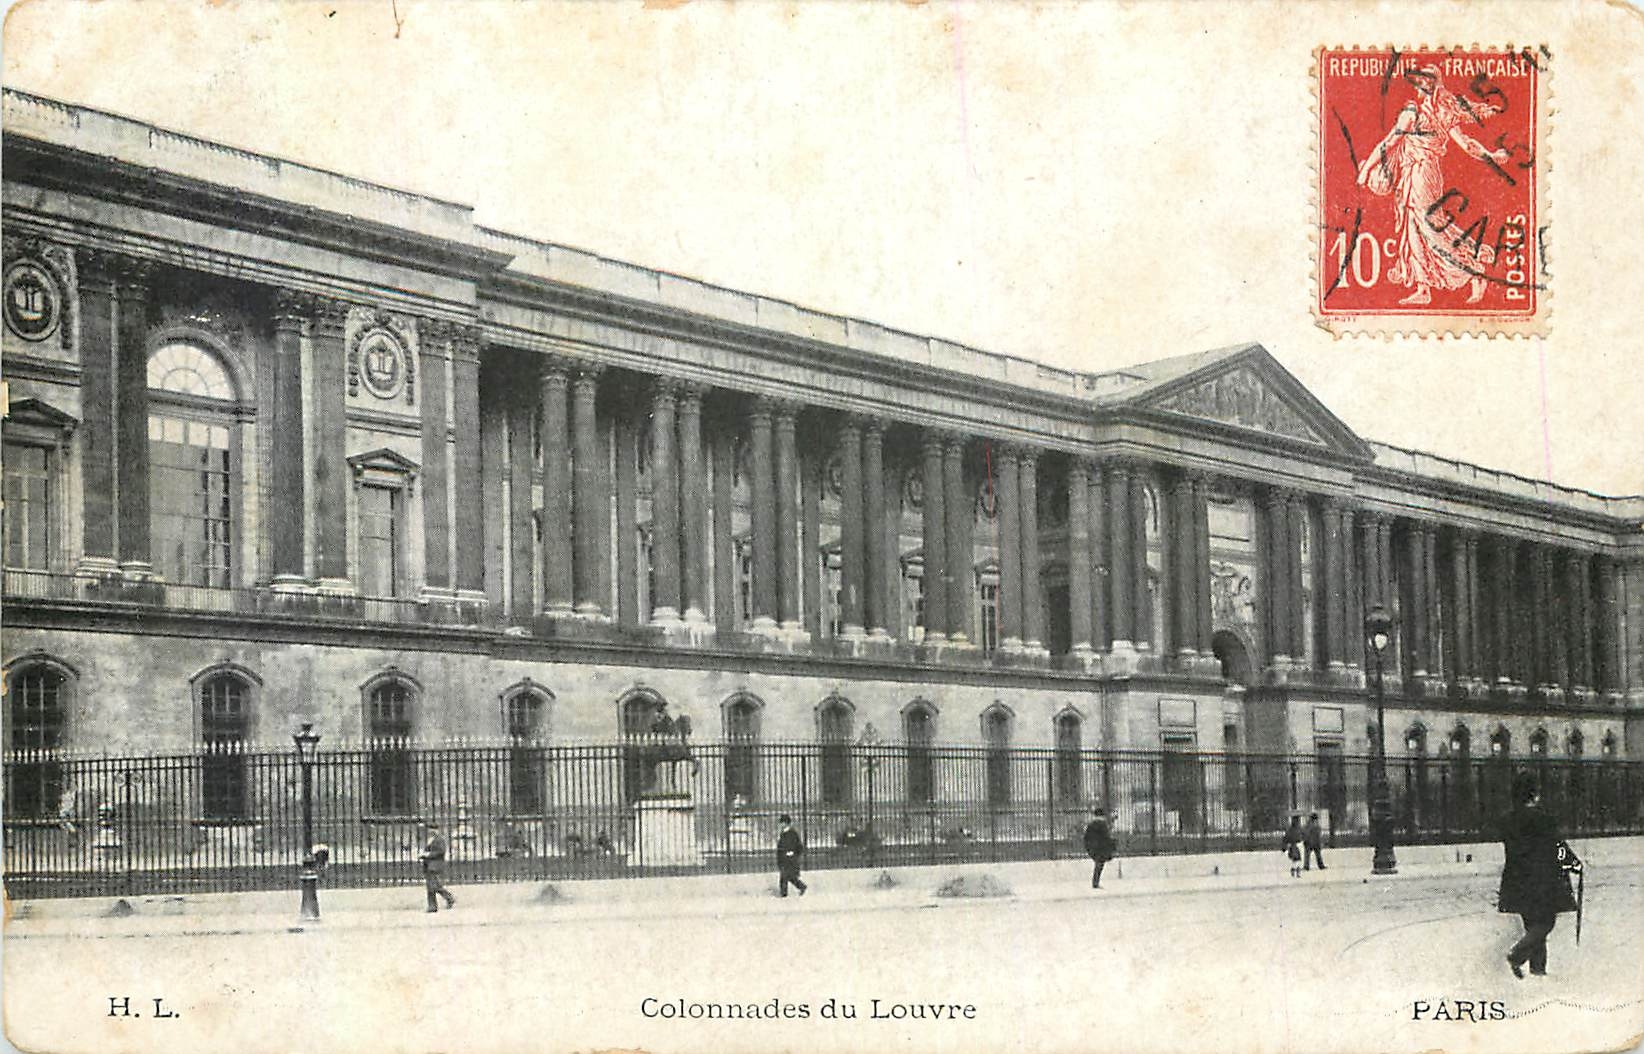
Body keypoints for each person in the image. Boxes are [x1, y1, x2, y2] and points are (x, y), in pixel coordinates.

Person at [1355, 65, 1512, 306]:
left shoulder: (1430, 112)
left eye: (1426, 81)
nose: (1421, 85)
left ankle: (1473, 271)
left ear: (1433, 83)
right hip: (1413, 174)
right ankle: (1423, 288)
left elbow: (1389, 143)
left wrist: (1365, 171)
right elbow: (1466, 144)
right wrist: (1492, 156)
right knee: (1414, 228)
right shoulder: (1423, 111)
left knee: (1429, 228)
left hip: (1423, 175)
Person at [1498, 773, 1579, 978]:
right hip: (1542, 879)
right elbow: (1557, 846)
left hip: (1517, 879)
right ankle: (1517, 955)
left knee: (1532, 924)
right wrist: (1573, 863)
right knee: (1545, 923)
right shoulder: (1543, 818)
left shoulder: (1508, 819)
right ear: (1534, 793)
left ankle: (1538, 971)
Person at [420, 822, 457, 913]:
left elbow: (441, 851)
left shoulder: (439, 839)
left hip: (435, 865)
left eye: (431, 829)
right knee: (431, 886)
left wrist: (428, 855)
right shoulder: (431, 839)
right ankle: (435, 905)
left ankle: (447, 898)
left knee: (434, 886)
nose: (430, 831)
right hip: (429, 865)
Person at [1082, 807, 1117, 889]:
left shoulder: (1091, 824)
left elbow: (1086, 837)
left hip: (1092, 847)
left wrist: (1088, 846)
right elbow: (1106, 836)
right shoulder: (1102, 824)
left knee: (1098, 864)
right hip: (1101, 848)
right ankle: (1095, 883)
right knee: (1099, 865)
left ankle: (1095, 882)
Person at [776, 814, 807, 897]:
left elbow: (799, 846)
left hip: (790, 859)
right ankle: (801, 887)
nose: (781, 825)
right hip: (784, 859)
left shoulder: (792, 833)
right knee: (789, 877)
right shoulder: (782, 834)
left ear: (786, 823)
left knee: (785, 877)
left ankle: (784, 895)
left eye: (782, 823)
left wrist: (794, 854)